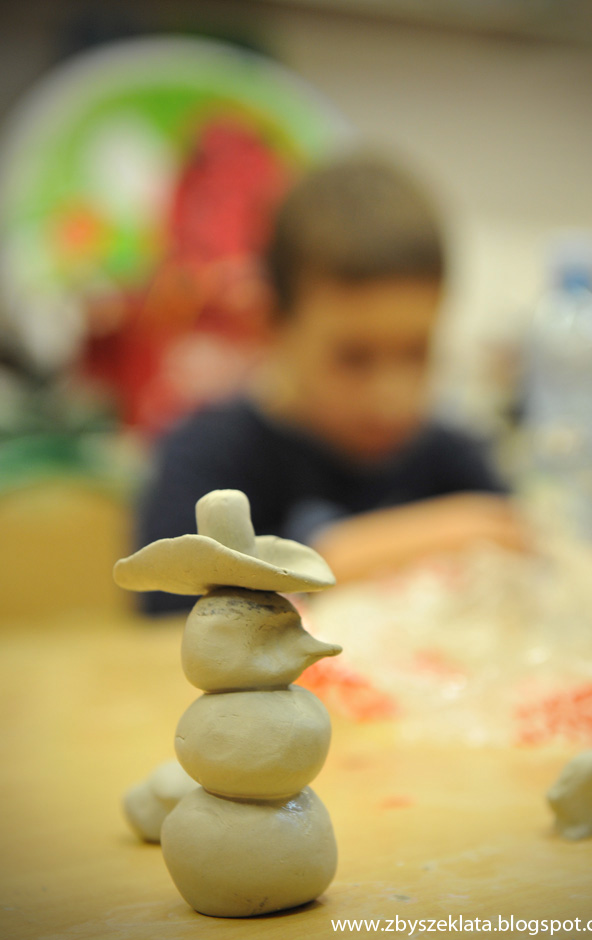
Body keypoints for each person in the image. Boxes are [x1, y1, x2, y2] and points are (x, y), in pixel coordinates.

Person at [136, 152, 528, 614]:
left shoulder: (453, 460)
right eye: (353, 358)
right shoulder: (203, 461)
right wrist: (438, 535)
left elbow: (522, 562)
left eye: (417, 352)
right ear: (272, 323)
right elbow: (174, 625)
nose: (390, 396)